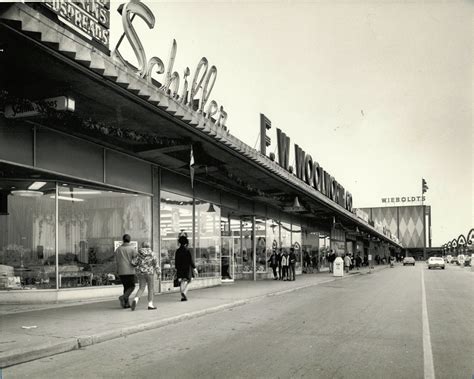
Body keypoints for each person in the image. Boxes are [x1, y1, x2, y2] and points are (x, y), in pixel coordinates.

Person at [130, 242, 160, 311]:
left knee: (141, 288)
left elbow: (133, 263)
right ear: (149, 246)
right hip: (150, 273)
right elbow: (156, 264)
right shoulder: (152, 254)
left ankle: (136, 299)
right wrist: (158, 273)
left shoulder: (138, 254)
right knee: (151, 289)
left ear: (142, 246)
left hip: (141, 273)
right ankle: (150, 304)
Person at [115, 234, 137, 309]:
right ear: (129, 240)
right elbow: (136, 259)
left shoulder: (118, 249)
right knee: (132, 286)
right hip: (130, 270)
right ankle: (123, 297)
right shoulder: (132, 248)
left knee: (126, 287)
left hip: (121, 271)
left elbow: (117, 261)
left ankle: (126, 304)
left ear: (123, 240)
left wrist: (117, 270)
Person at [175, 234, 198, 301]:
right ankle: (184, 292)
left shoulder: (177, 251)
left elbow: (176, 261)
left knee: (182, 281)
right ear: (186, 243)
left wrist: (176, 268)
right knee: (190, 280)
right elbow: (191, 260)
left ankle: (182, 296)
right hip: (187, 269)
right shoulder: (188, 250)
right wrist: (194, 268)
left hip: (180, 268)